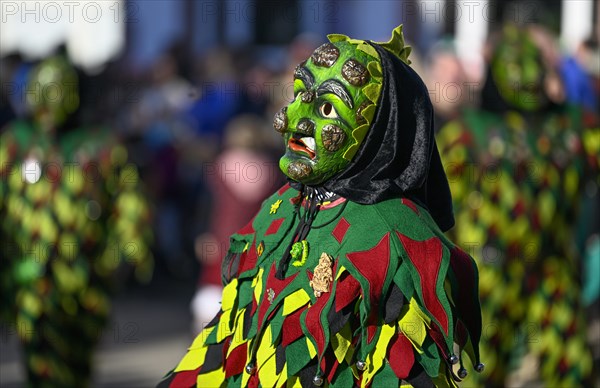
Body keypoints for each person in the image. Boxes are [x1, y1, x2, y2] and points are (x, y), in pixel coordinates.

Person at [159, 26, 483, 387]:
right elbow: (228, 338)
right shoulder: (279, 210)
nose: (293, 120)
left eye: (327, 107)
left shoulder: (398, 238)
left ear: (380, 130)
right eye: (299, 94)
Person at [437, 25, 598, 386]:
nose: (524, 74)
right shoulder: (468, 132)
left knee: (571, 369)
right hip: (489, 270)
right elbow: (437, 207)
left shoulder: (574, 126)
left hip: (554, 269)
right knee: (477, 367)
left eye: (532, 63)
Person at [0, 56, 153, 387]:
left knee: (77, 366)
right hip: (28, 278)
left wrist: (127, 249)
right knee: (39, 361)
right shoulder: (15, 142)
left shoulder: (101, 144)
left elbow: (129, 199)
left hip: (87, 276)